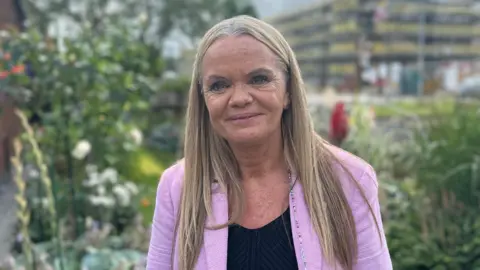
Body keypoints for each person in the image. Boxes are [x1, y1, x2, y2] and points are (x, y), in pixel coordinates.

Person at [147, 15, 392, 270]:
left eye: (259, 79)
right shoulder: (178, 188)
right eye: (219, 85)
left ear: (288, 91)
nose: (240, 98)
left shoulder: (349, 179)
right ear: (203, 99)